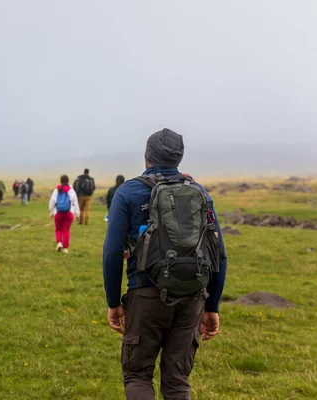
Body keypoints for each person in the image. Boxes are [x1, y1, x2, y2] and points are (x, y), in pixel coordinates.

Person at [102, 128, 227, 399]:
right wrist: (212, 306)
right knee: (178, 383)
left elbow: (112, 252)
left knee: (137, 376)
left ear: (147, 156)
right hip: (192, 299)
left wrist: (114, 303)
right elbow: (219, 253)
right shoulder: (200, 193)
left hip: (145, 296)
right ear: (178, 158)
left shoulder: (128, 192)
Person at [49, 175, 80, 254]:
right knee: (66, 230)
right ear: (68, 181)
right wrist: (77, 214)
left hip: (58, 213)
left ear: (61, 181)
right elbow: (75, 203)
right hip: (69, 213)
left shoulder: (57, 190)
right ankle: (65, 248)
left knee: (58, 229)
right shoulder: (71, 191)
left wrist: (52, 211)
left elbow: (52, 202)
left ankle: (59, 243)